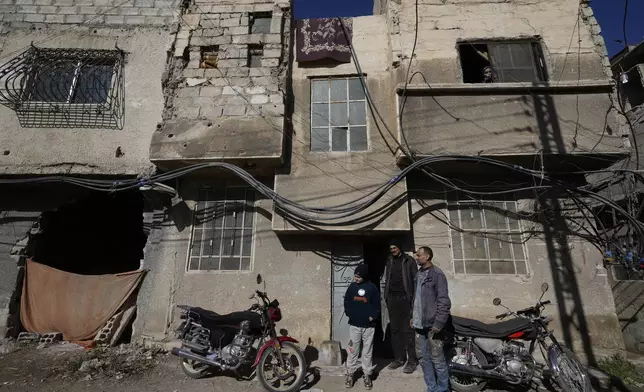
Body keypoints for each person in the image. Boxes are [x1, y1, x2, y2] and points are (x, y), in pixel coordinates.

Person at [412, 246, 451, 392]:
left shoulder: (437, 274)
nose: (416, 257)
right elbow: (416, 298)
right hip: (418, 323)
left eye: (419, 255)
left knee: (437, 359)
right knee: (422, 358)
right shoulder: (418, 274)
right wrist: (413, 315)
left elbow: (444, 301)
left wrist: (439, 322)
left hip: (433, 324)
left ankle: (442, 389)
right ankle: (432, 388)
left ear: (427, 257)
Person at [382, 239, 418, 373]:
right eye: (391, 248)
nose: (392, 250)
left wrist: (413, 300)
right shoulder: (389, 261)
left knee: (408, 330)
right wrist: (386, 296)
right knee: (395, 330)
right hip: (392, 299)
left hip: (405, 299)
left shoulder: (409, 261)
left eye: (394, 247)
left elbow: (415, 281)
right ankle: (399, 358)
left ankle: (412, 361)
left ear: (400, 248)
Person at [344, 264, 380, 390]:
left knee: (367, 351)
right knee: (353, 350)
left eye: (359, 277)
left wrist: (373, 316)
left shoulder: (372, 288)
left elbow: (377, 304)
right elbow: (347, 301)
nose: (356, 278)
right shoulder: (352, 287)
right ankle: (350, 373)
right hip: (354, 325)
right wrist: (349, 314)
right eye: (355, 276)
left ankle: (367, 374)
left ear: (364, 276)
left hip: (368, 326)